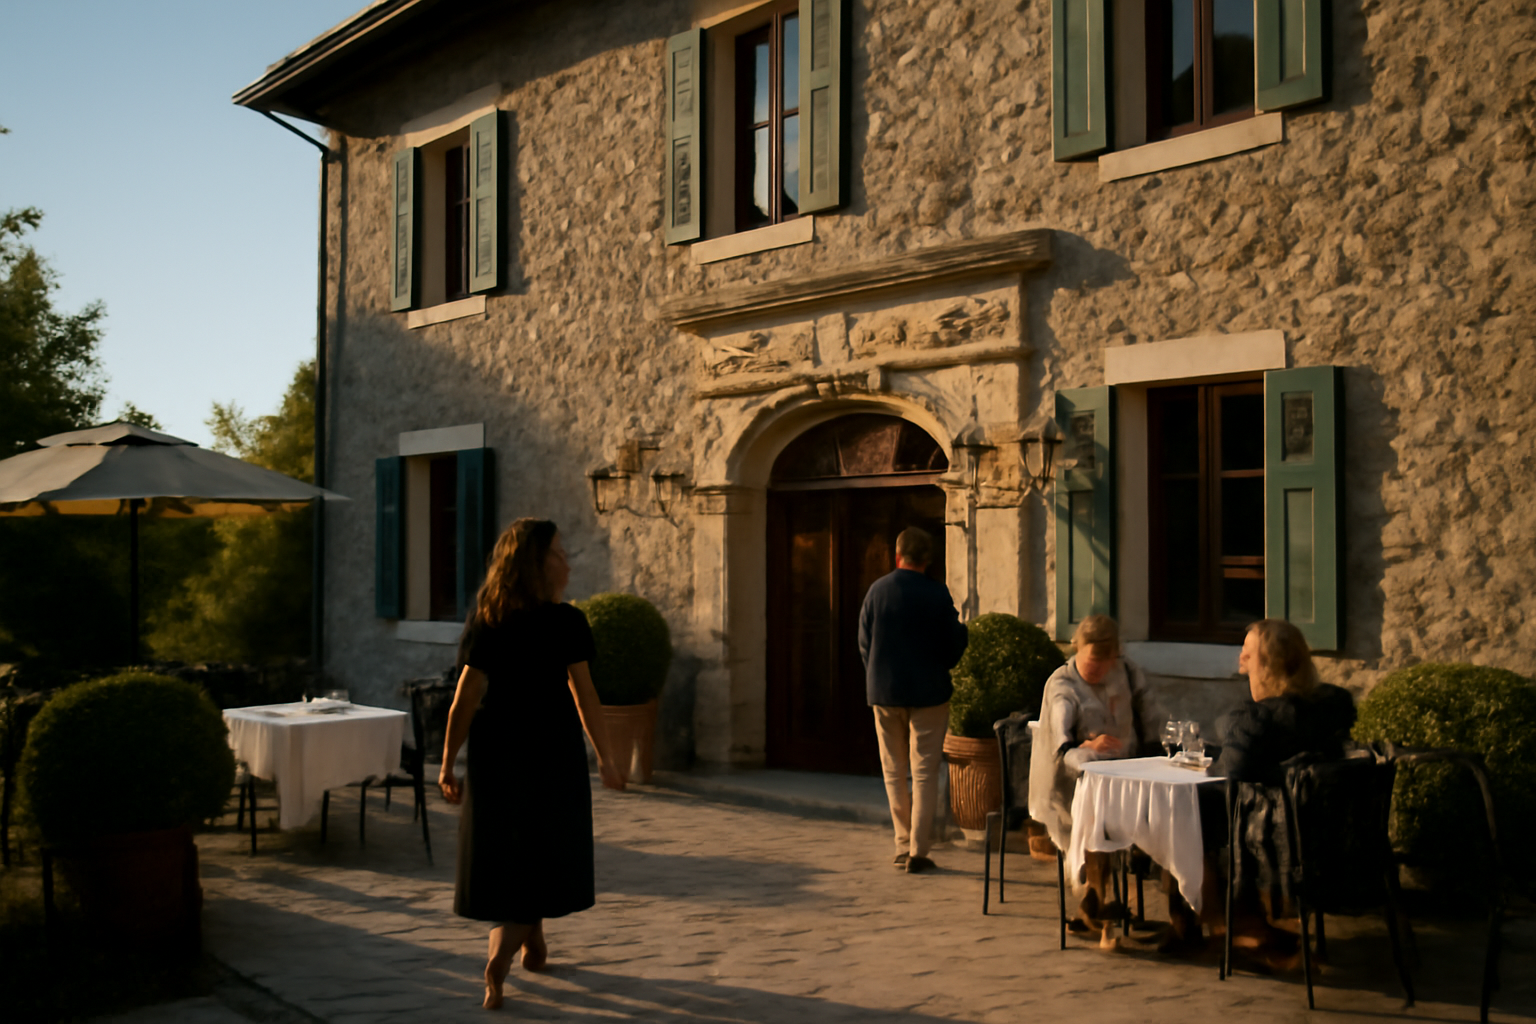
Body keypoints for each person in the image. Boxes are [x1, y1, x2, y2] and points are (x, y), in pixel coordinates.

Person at [439, 518, 627, 1011]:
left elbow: (466, 697)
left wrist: (446, 764)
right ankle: (498, 961)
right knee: (546, 852)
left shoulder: (488, 617)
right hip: (551, 753)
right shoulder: (566, 622)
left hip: (496, 750)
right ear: (538, 564)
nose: (568, 562)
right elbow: (584, 694)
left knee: (513, 853)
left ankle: (533, 943)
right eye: (560, 553)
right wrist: (606, 757)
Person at [1029, 614, 1164, 930]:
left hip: (1125, 777)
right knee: (1094, 822)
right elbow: (1061, 746)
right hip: (1072, 785)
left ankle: (1178, 912)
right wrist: (1088, 746)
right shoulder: (1062, 684)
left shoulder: (1128, 673)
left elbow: (1150, 716)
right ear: (1078, 649)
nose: (1096, 669)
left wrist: (1155, 750)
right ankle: (1094, 898)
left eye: (1104, 662)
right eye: (1090, 660)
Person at [857, 526, 969, 874]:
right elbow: (953, 647)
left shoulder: (877, 591)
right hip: (929, 692)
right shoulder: (937, 594)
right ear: (928, 560)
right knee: (924, 771)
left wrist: (878, 672)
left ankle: (901, 843)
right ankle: (919, 850)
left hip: (885, 691)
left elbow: (864, 642)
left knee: (893, 771)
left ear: (897, 556)